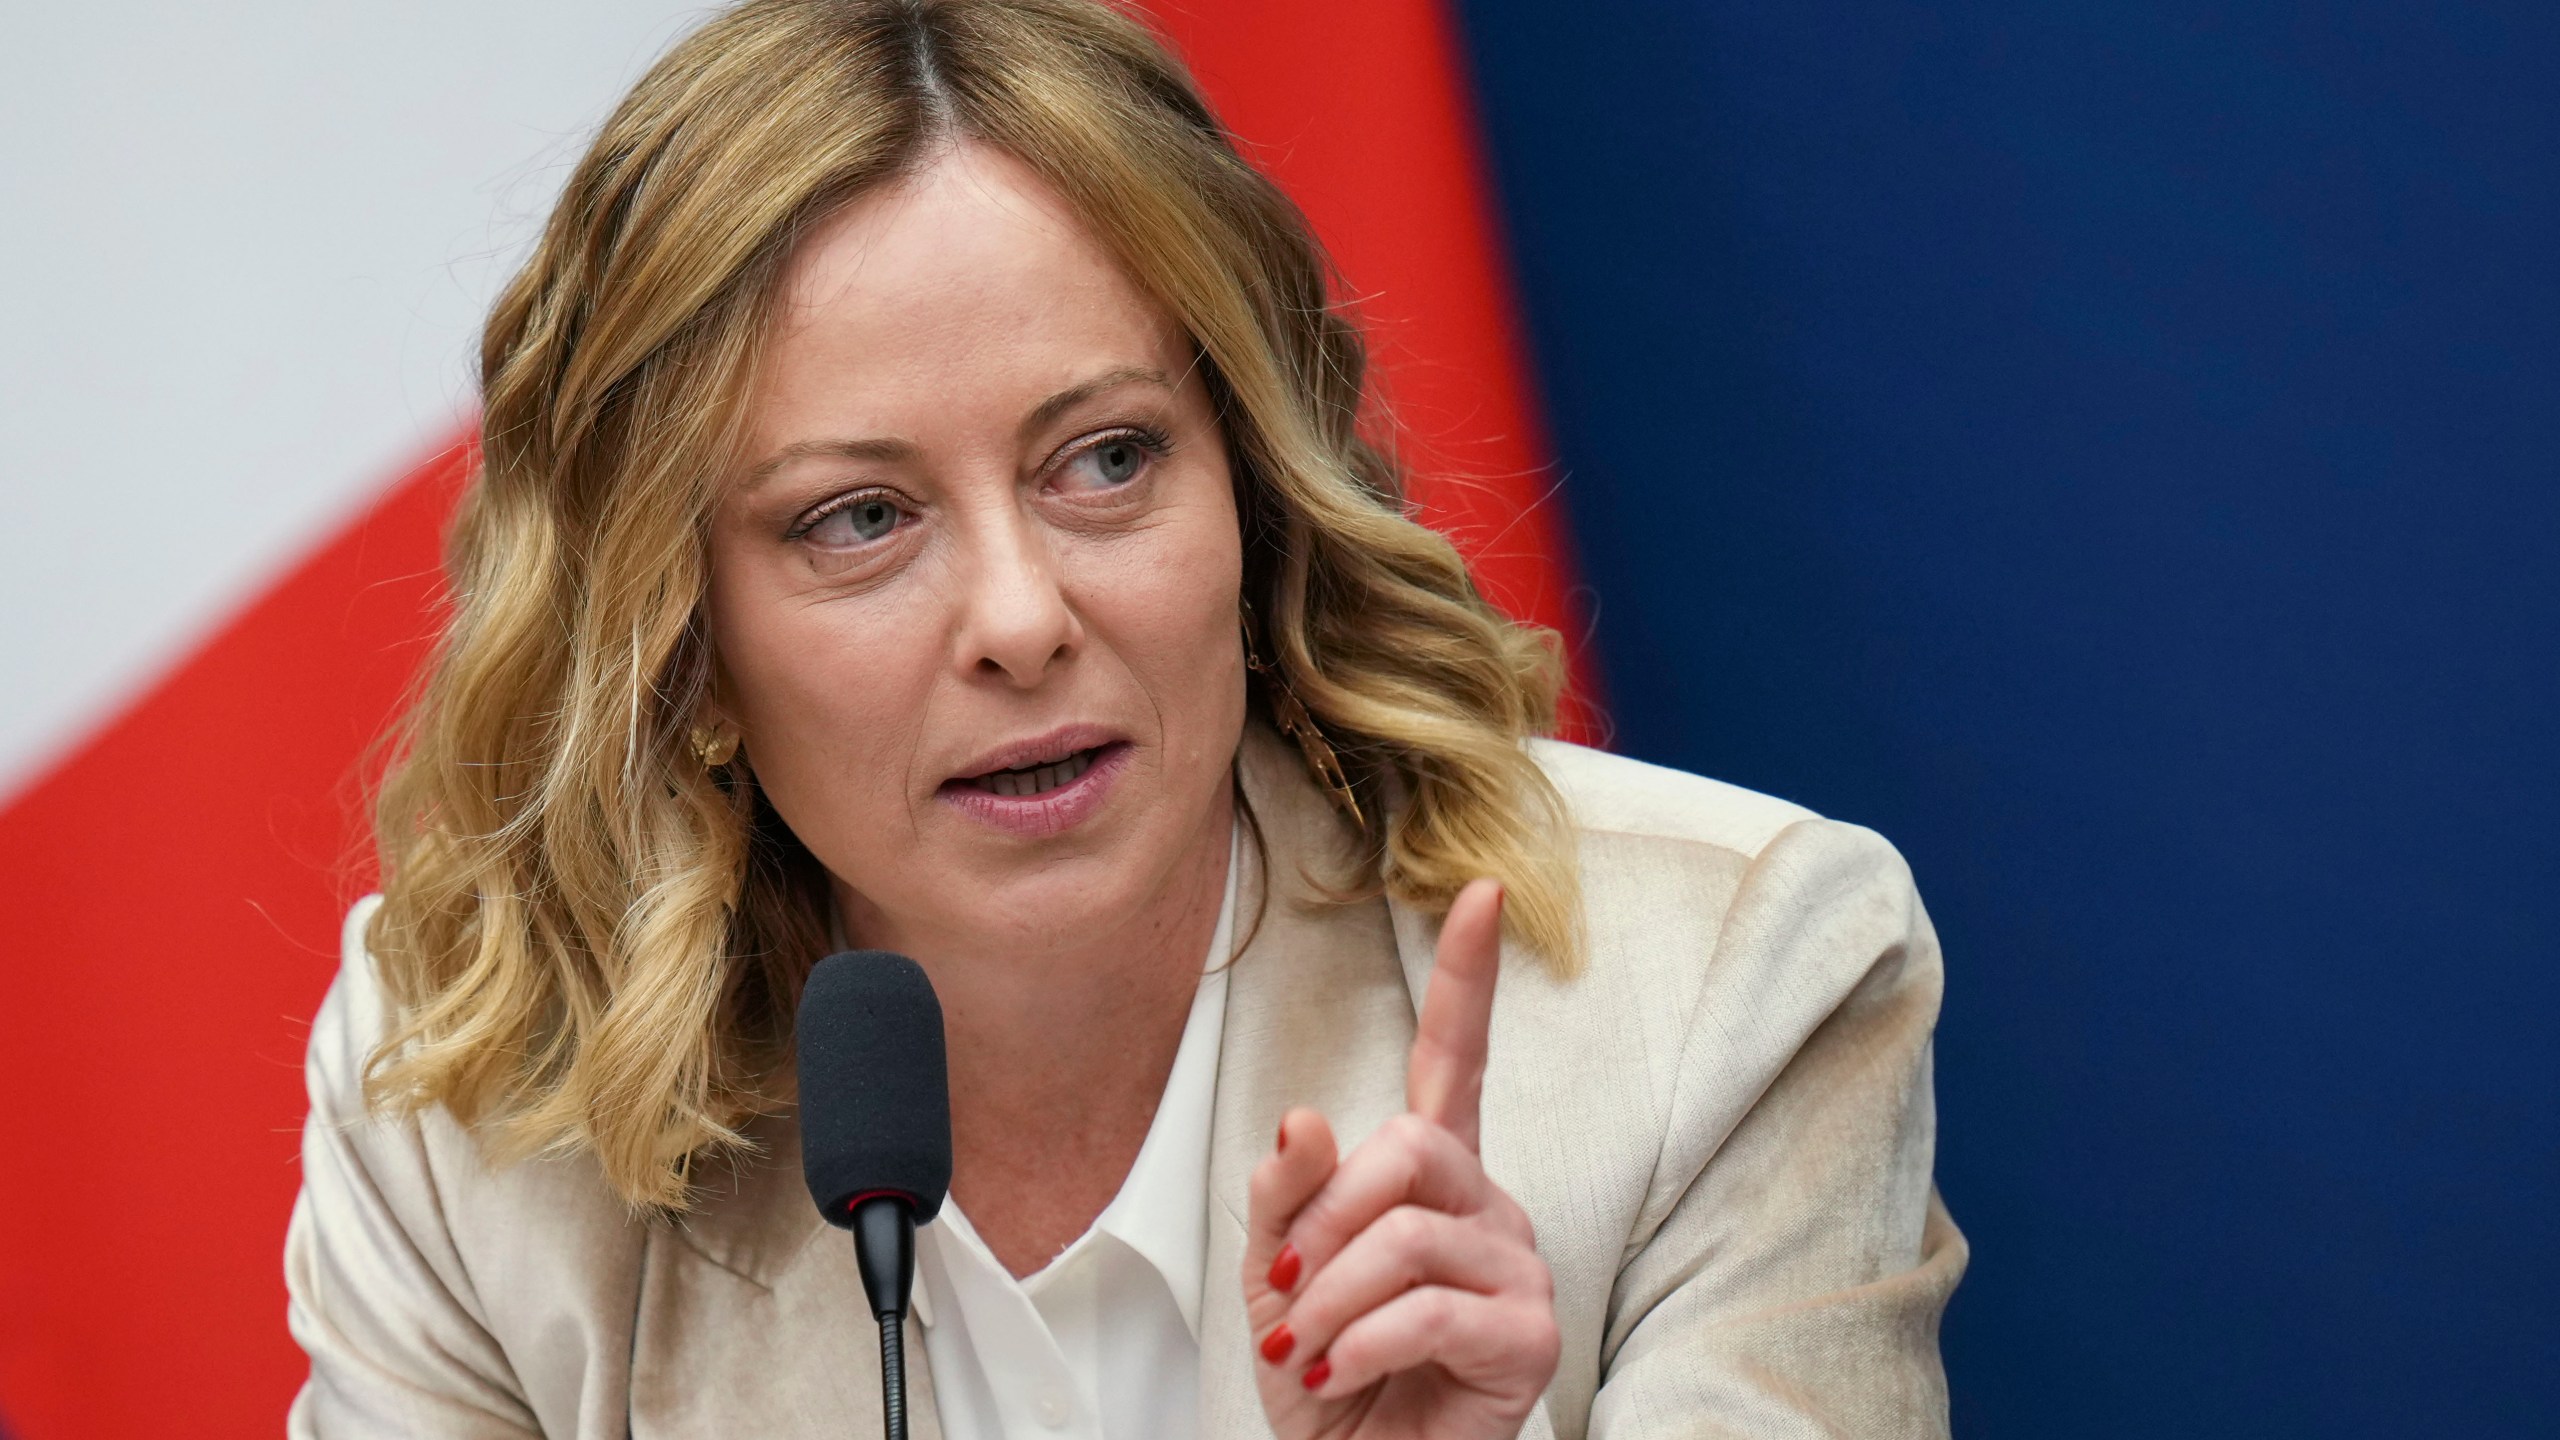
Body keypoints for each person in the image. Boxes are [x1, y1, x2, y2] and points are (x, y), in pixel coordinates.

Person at [284, 1, 1967, 1435]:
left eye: (1107, 460)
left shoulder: (1726, 999)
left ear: (1251, 488)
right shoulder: (470, 1111)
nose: (1022, 620)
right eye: (859, 519)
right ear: (685, 646)